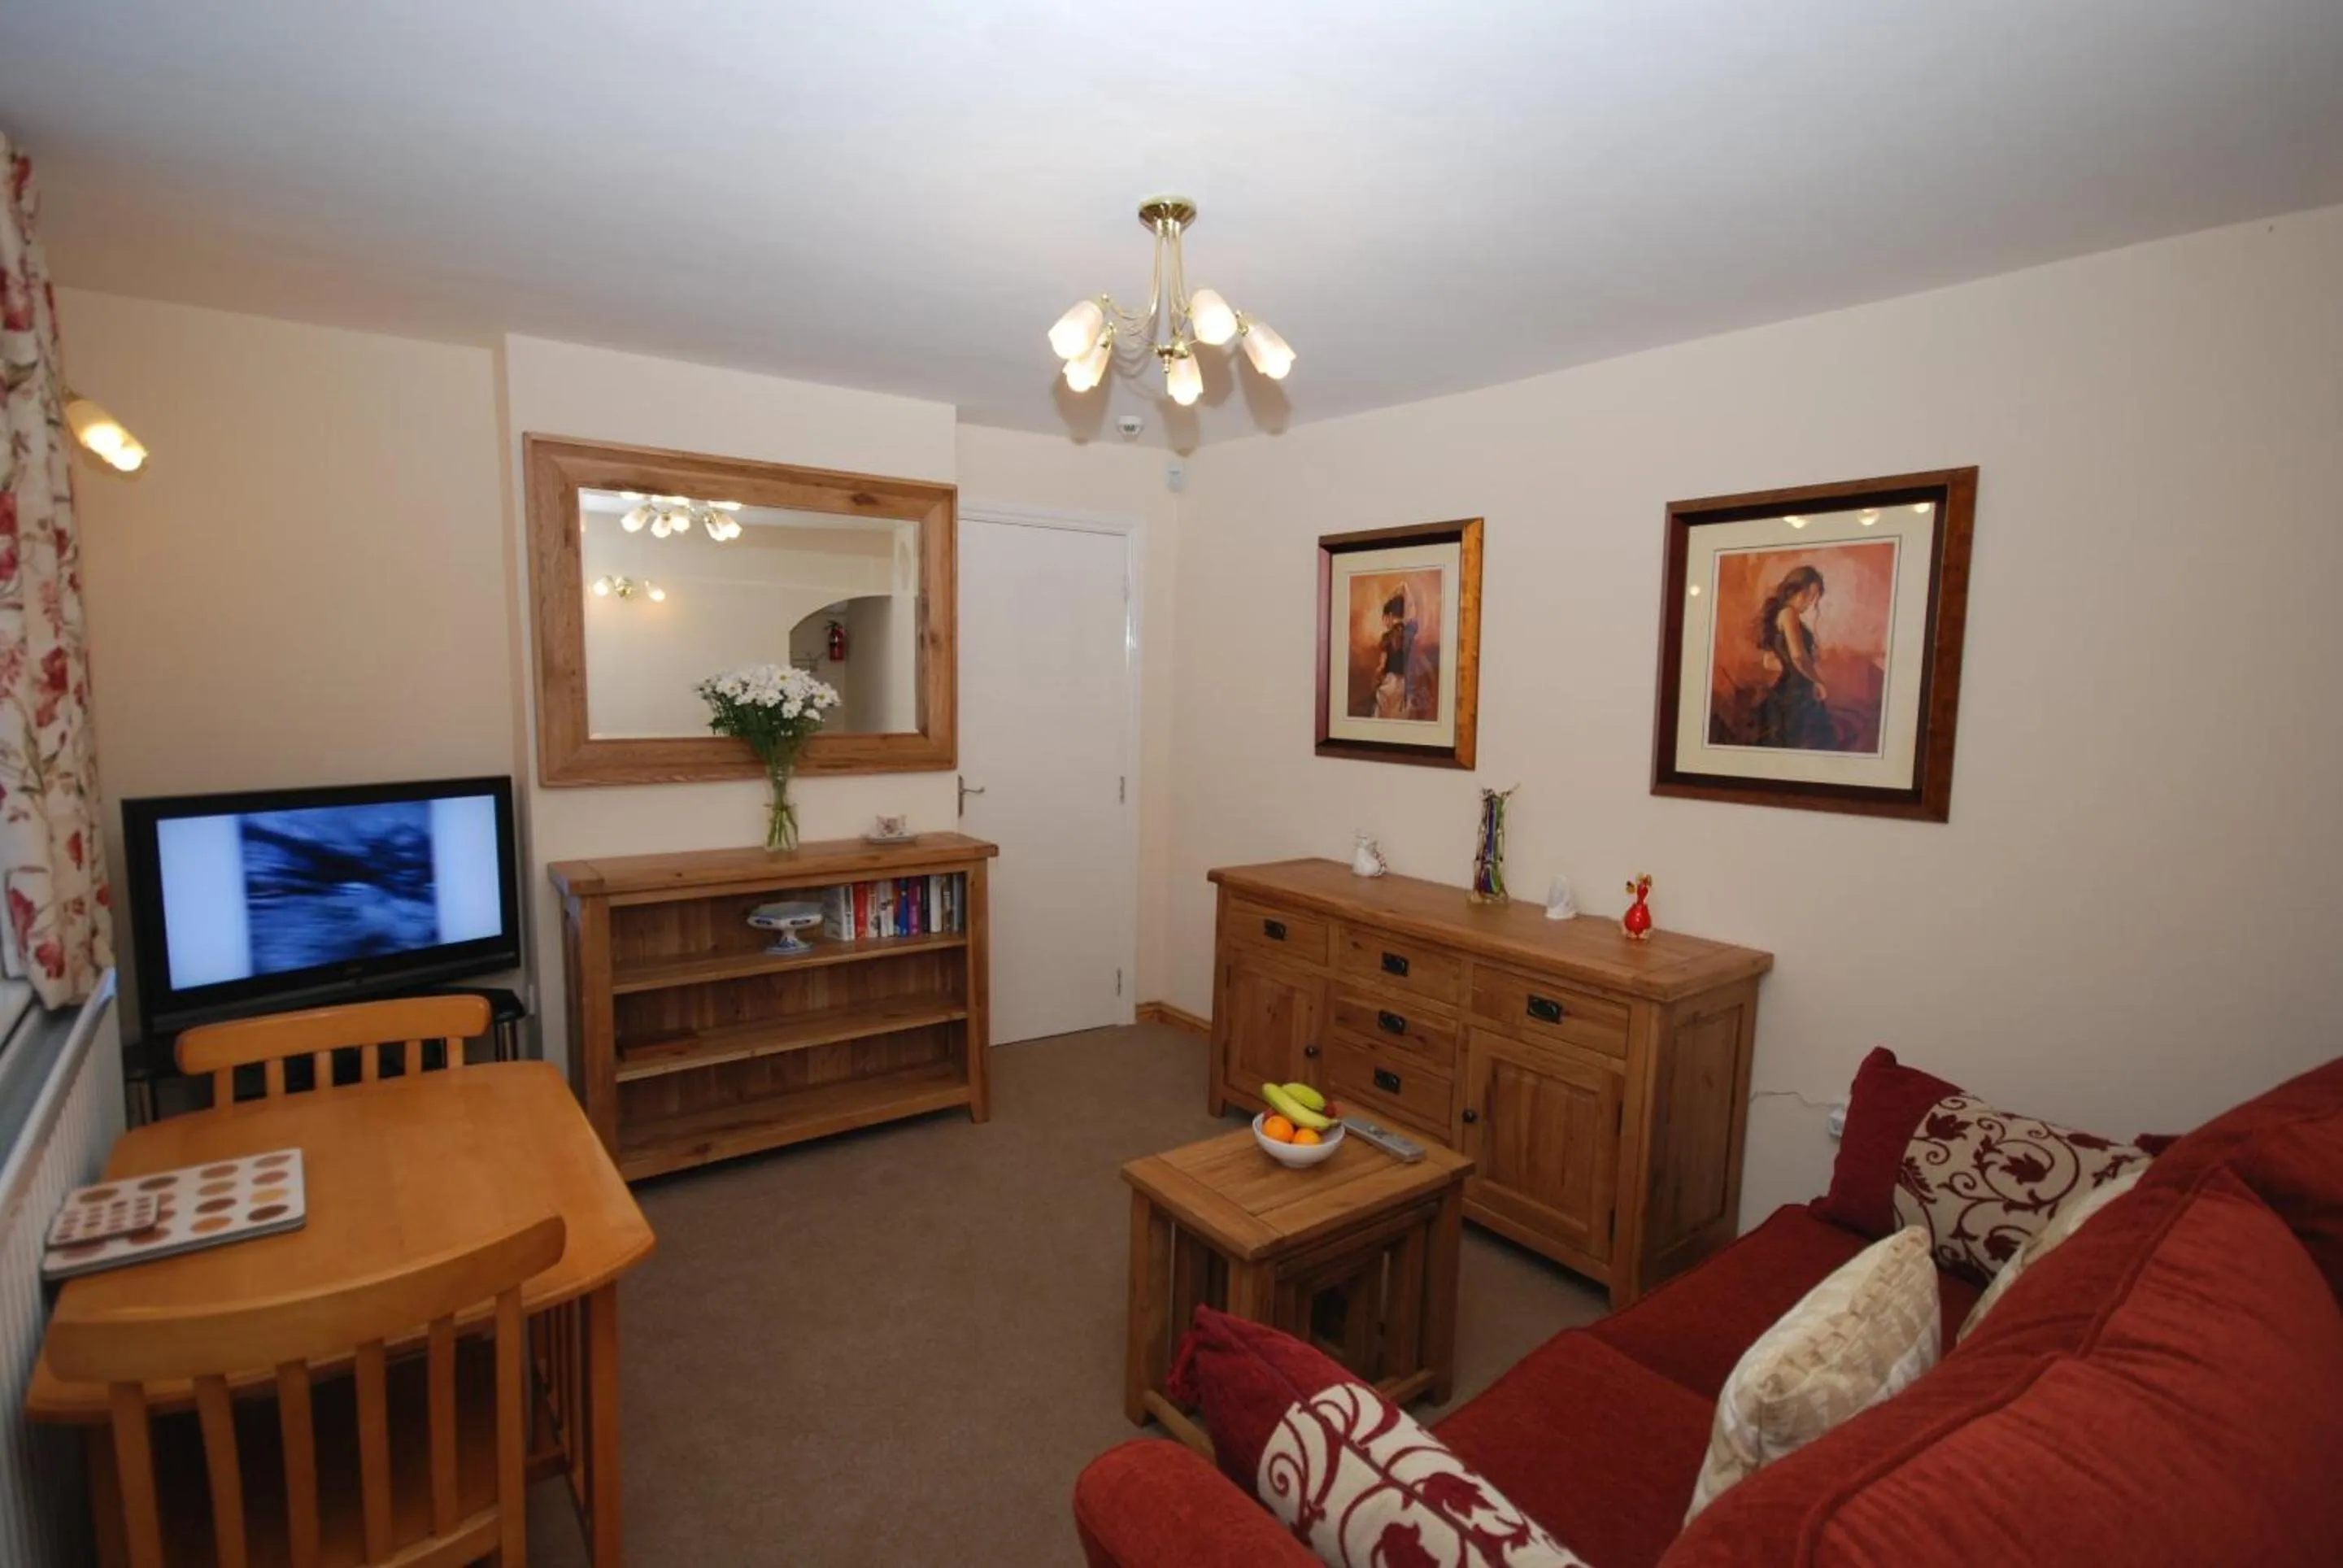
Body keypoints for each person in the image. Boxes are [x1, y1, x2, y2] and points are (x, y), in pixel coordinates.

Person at [1752, 565, 1835, 749]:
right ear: (1795, 591)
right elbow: (1798, 656)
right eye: (1808, 596)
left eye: (1814, 598)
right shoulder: (1789, 614)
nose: (1810, 603)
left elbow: (1769, 662)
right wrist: (1817, 680)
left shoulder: (1777, 615)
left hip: (1787, 690)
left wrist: (1792, 667)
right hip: (1796, 694)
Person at [1373, 582, 1417, 719]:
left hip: (1389, 682)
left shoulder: (1386, 637)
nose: (1384, 622)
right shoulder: (1409, 634)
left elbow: (1382, 665)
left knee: (1383, 713)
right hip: (1404, 684)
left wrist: (1377, 677)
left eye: (1384, 618)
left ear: (1390, 616)